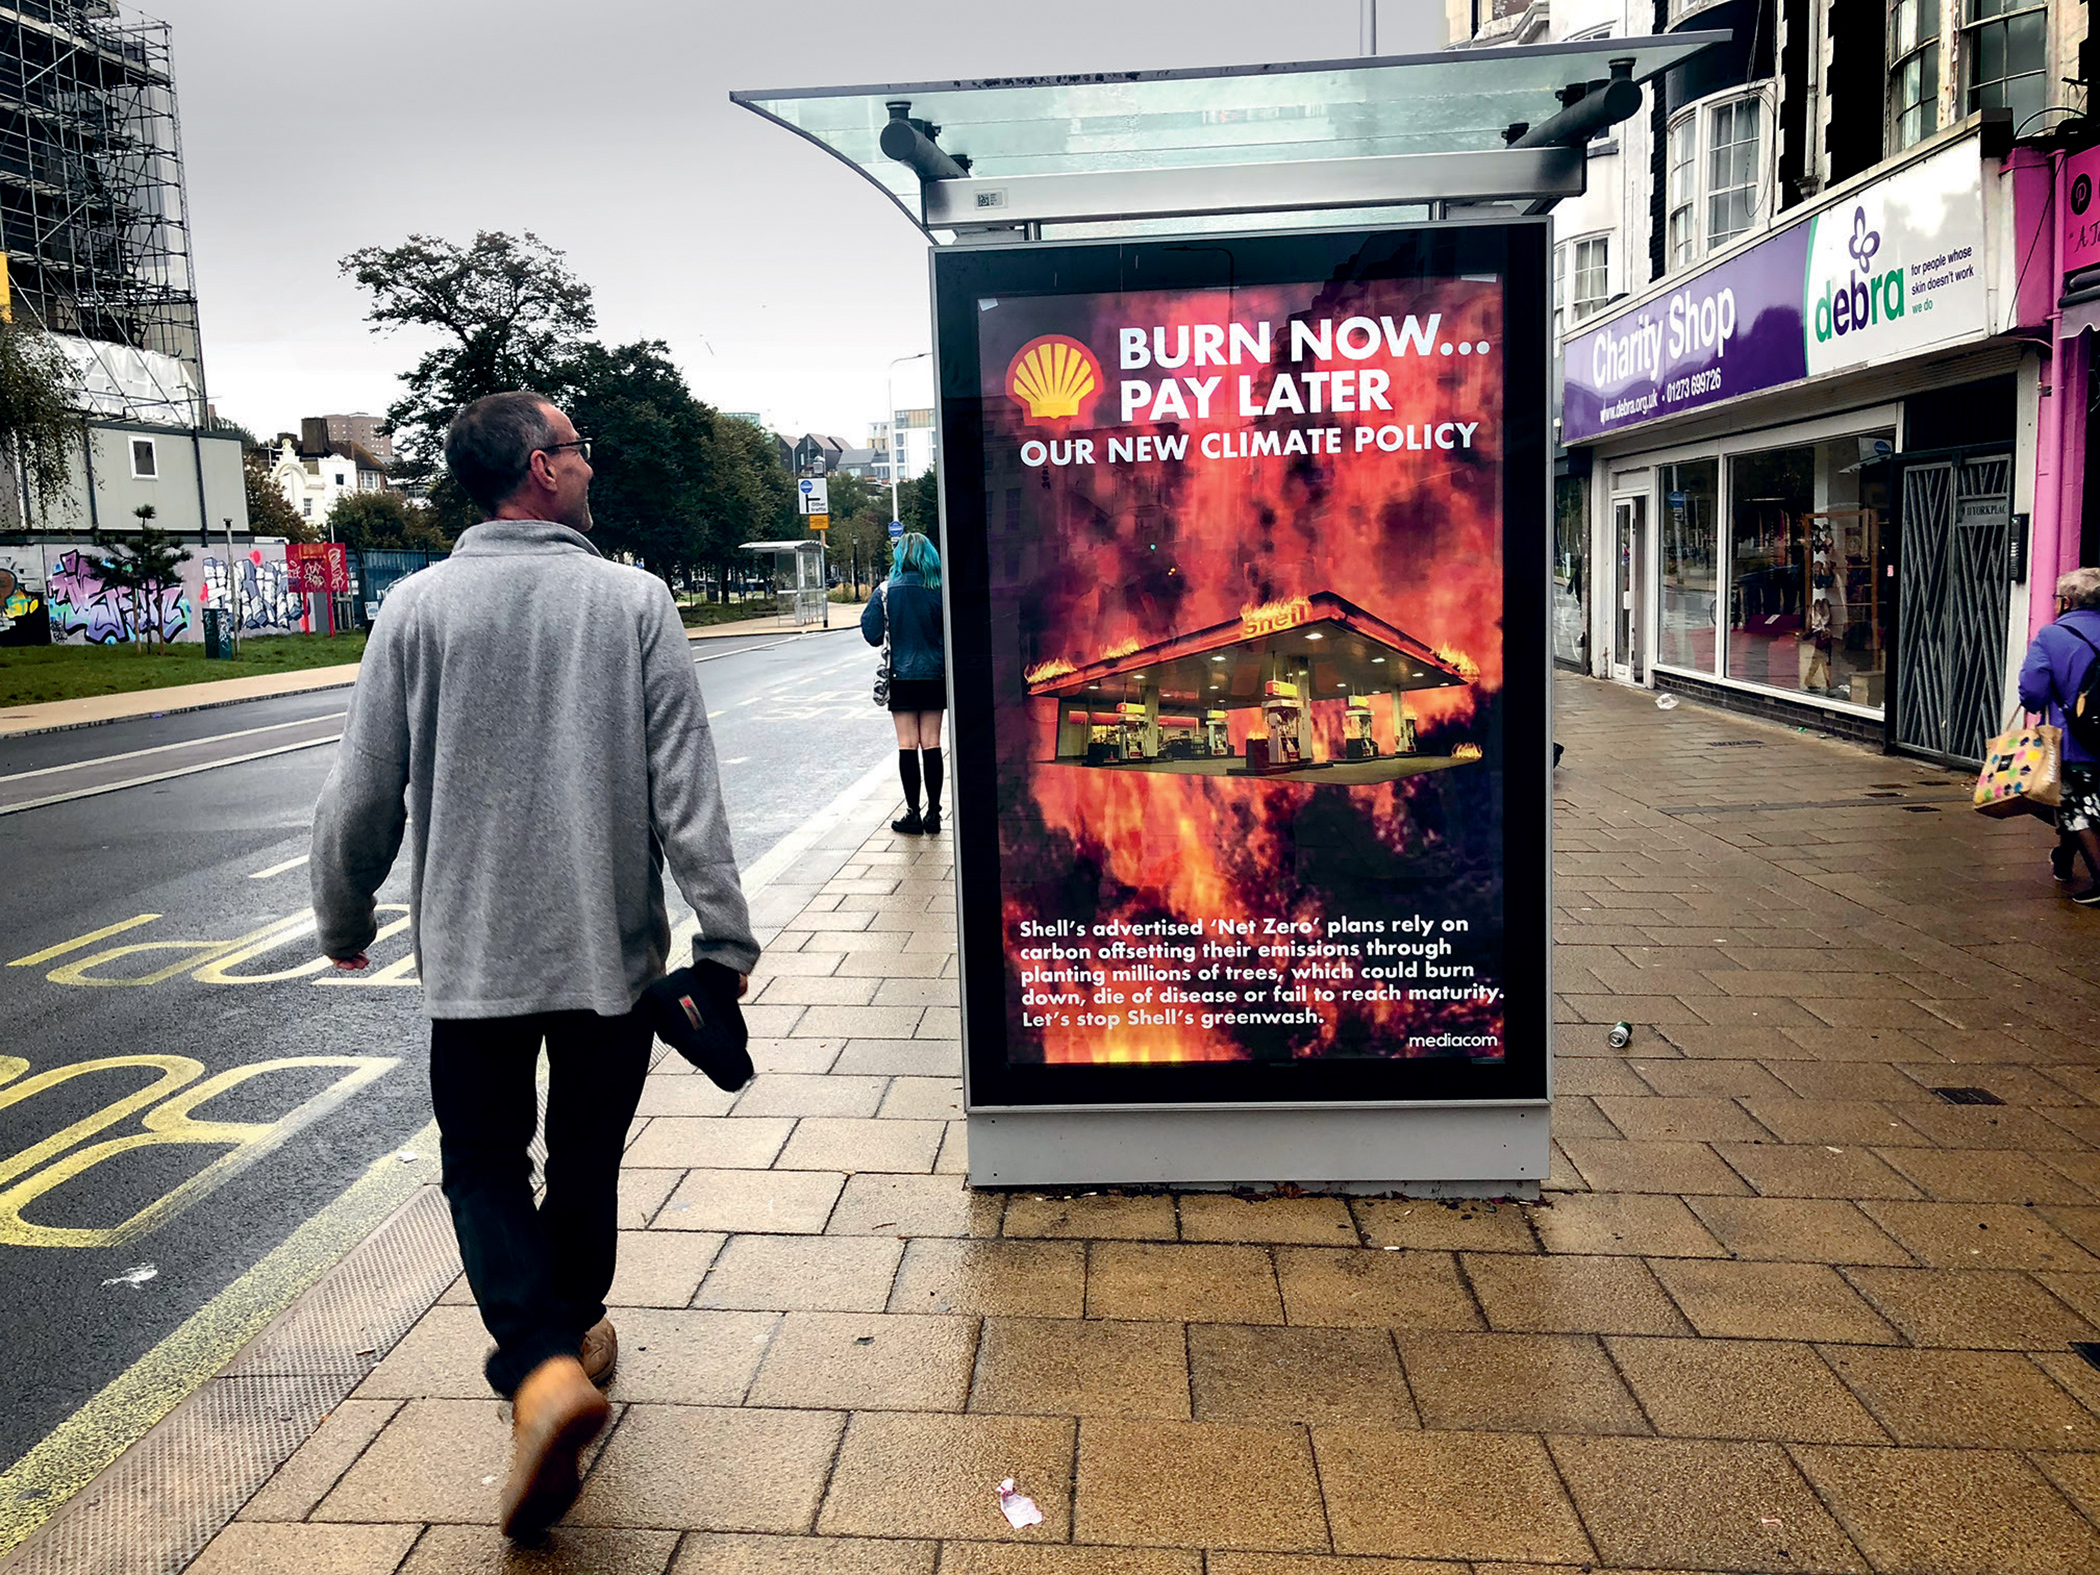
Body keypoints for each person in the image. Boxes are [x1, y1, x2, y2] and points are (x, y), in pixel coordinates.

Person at [308, 390, 758, 1537]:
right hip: (611, 956)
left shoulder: (414, 611)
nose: (588, 460)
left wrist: (342, 915)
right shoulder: (632, 603)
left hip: (472, 961)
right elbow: (684, 789)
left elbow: (364, 790)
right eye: (575, 445)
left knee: (482, 1168)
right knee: (587, 1156)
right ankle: (565, 1348)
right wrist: (723, 937)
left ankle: (540, 1362)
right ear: (536, 470)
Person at [2018, 566, 2100, 907]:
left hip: (2078, 742)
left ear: (2067, 601)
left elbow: (2033, 693)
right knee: (2075, 803)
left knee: (2077, 808)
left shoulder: (2052, 636)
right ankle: (2063, 859)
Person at [862, 530, 947, 834]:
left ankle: (913, 813)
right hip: (935, 675)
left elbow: (872, 635)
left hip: (901, 676)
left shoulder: (885, 591)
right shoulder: (941, 590)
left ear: (899, 557)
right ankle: (935, 814)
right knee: (933, 743)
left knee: (907, 745)